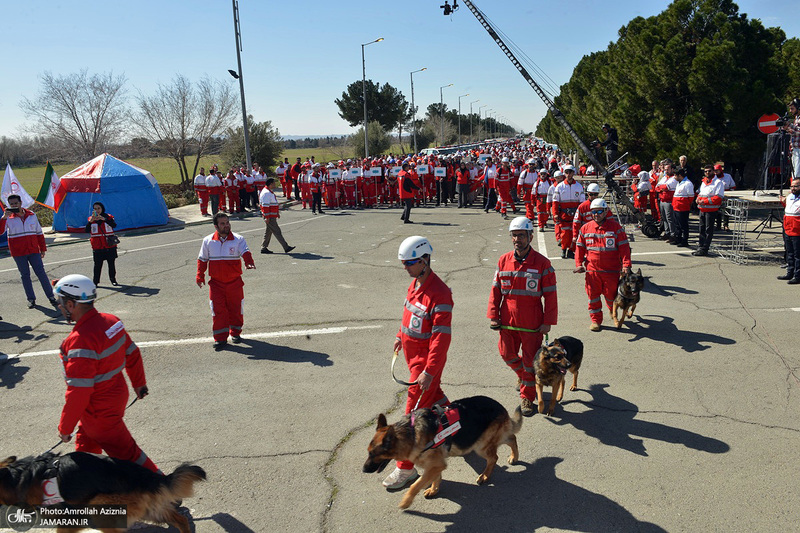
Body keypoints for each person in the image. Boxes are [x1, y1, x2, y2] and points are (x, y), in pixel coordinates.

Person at [53, 274, 159, 473]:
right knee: (86, 451)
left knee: (127, 453)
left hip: (98, 408)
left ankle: (165, 490)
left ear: (70, 305)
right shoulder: (112, 321)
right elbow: (132, 353)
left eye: (60, 303)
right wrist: (139, 383)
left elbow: (79, 392)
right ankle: (87, 488)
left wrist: (65, 428)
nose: (58, 307)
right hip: (113, 395)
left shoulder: (79, 341)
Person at [384, 236, 453, 491]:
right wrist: (399, 336)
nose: (405, 268)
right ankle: (458, 428)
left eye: (409, 263)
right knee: (437, 401)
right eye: (403, 263)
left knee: (411, 420)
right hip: (414, 362)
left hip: (425, 367)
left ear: (424, 260)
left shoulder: (440, 294)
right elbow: (409, 315)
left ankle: (406, 470)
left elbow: (440, 340)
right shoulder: (415, 284)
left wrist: (429, 371)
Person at [488, 217, 557, 416]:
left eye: (521, 235)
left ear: (530, 237)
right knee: (506, 354)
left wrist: (547, 322)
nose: (517, 239)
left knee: (529, 361)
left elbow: (551, 295)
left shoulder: (543, 264)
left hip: (532, 323)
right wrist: (494, 315)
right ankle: (526, 377)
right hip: (507, 321)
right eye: (514, 235)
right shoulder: (503, 260)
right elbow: (496, 291)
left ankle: (527, 398)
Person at [196, 213, 256, 350]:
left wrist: (249, 262)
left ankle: (235, 333)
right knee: (218, 311)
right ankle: (220, 339)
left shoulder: (238, 239)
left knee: (236, 309)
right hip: (216, 284)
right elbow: (202, 260)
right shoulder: (208, 241)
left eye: (227, 222)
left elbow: (245, 252)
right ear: (216, 226)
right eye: (222, 224)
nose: (226, 225)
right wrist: (200, 276)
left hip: (235, 283)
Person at [574, 199, 632, 331]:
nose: (596, 214)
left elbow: (624, 247)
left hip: (611, 272)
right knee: (593, 297)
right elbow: (579, 247)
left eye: (600, 211)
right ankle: (596, 321)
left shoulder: (616, 228)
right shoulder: (585, 228)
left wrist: (626, 265)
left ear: (606, 211)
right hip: (592, 272)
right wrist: (578, 264)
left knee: (611, 296)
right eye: (594, 212)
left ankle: (614, 314)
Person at [0, 194, 58, 309]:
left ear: (21, 203)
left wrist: (42, 248)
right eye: (11, 204)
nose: (14, 206)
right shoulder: (8, 218)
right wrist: (3, 218)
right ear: (9, 205)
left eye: (16, 203)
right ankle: (31, 299)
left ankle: (51, 297)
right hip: (18, 252)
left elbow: (39, 233)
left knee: (41, 273)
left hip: (33, 250)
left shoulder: (32, 215)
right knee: (25, 276)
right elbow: (0, 232)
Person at [551, 165, 585, 258]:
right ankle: (563, 249)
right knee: (565, 234)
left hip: (576, 215)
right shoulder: (559, 187)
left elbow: (582, 202)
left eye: (570, 172)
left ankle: (571, 251)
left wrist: (582, 214)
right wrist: (555, 214)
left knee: (574, 234)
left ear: (573, 173)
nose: (568, 174)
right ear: (564, 173)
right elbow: (555, 202)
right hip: (564, 215)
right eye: (566, 172)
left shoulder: (578, 186)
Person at [85, 202, 119, 286]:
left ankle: (113, 279)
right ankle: (95, 282)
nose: (97, 210)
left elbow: (114, 225)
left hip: (109, 244)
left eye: (98, 208)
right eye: (95, 209)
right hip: (97, 246)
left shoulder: (108, 217)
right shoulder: (91, 219)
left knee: (111, 264)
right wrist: (90, 221)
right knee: (97, 265)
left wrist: (105, 219)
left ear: (102, 208)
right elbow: (86, 230)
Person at [258, 178, 295, 255]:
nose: (275, 185)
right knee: (277, 231)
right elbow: (265, 206)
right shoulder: (266, 193)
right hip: (270, 217)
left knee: (268, 232)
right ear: (270, 184)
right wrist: (267, 217)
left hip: (271, 216)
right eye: (274, 183)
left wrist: (276, 213)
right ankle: (286, 247)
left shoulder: (268, 192)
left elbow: (272, 204)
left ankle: (263, 247)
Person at [694, 165, 724, 256]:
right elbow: (701, 193)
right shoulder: (704, 182)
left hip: (711, 210)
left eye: (709, 171)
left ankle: (705, 248)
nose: (707, 173)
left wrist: (705, 201)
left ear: (713, 171)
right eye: (706, 171)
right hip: (702, 209)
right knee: (701, 229)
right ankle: (700, 246)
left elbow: (718, 197)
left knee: (708, 230)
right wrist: (698, 199)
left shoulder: (718, 182)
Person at [778, 179, 800, 284]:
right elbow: (788, 208)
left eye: (795, 186)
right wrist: (783, 201)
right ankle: (790, 272)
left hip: (797, 230)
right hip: (788, 228)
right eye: (792, 186)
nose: (793, 188)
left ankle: (798, 275)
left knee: (797, 254)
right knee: (790, 253)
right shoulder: (790, 196)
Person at [655, 159, 678, 243]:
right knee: (664, 218)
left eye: (668, 169)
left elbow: (666, 187)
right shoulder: (665, 177)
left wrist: (661, 188)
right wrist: (661, 188)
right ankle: (667, 232)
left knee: (670, 218)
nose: (666, 171)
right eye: (665, 169)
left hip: (669, 201)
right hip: (662, 200)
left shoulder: (674, 178)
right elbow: (657, 187)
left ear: (672, 169)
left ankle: (673, 234)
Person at [671, 167, 694, 247]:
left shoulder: (688, 184)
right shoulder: (679, 183)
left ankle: (684, 240)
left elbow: (690, 197)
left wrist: (685, 204)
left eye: (675, 175)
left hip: (683, 208)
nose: (674, 177)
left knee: (683, 225)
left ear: (680, 175)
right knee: (677, 224)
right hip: (676, 207)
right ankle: (678, 239)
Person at [783, 98, 800, 180]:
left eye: (792, 108)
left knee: (797, 172)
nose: (790, 111)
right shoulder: (797, 118)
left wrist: (789, 125)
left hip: (799, 149)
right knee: (795, 172)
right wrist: (788, 129)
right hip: (795, 148)